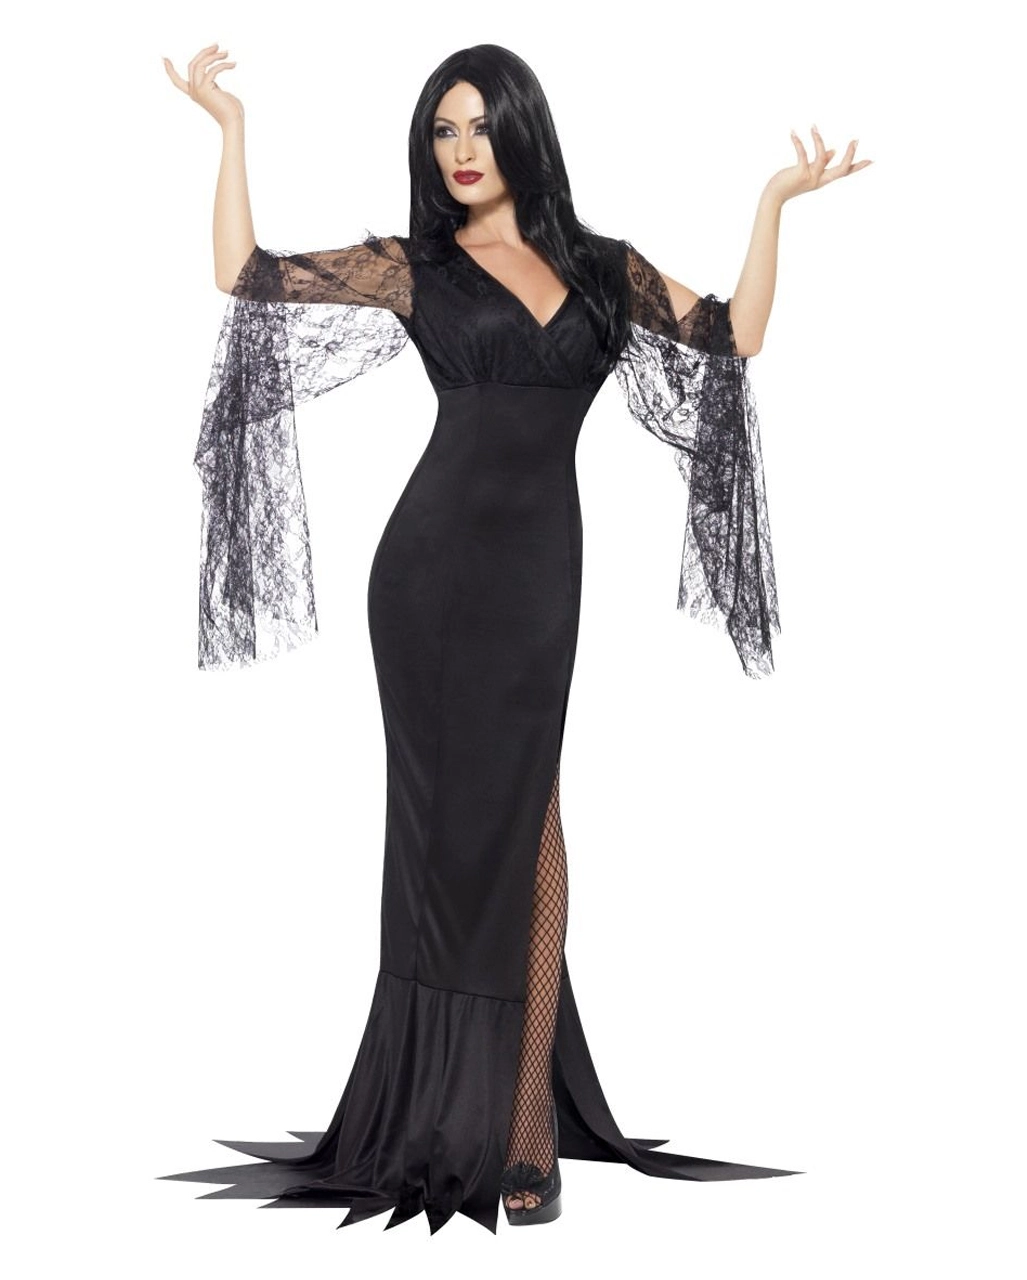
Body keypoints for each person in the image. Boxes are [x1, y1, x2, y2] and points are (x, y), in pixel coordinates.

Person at [158, 41, 870, 1235]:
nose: (460, 150)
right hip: (427, 576)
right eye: (441, 130)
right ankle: (467, 1112)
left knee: (533, 819)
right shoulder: (417, 266)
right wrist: (228, 127)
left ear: (522, 131)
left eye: (479, 126)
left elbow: (732, 335)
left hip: (540, 576)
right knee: (446, 839)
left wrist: (773, 203)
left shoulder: (602, 268)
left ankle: (524, 1115)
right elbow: (247, 272)